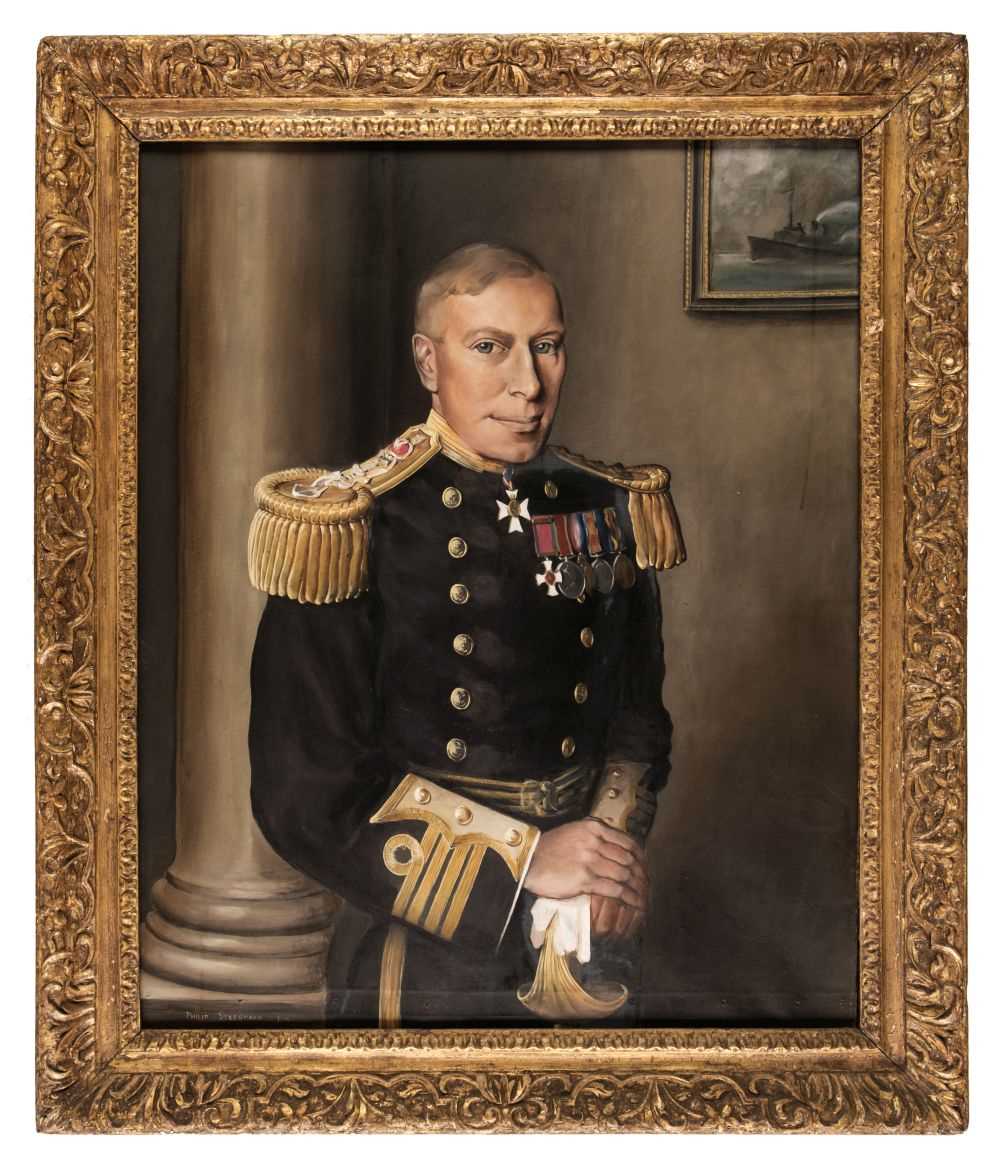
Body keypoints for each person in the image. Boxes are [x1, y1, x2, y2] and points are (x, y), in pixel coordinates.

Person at [247, 242, 685, 1027]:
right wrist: (525, 864)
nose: (529, 384)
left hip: (590, 931)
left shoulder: (603, 506)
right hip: (424, 948)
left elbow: (636, 725)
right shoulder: (348, 526)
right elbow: (303, 793)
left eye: (547, 346)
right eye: (490, 347)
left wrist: (606, 859)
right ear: (428, 362)